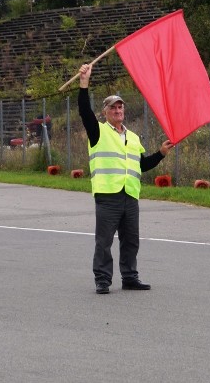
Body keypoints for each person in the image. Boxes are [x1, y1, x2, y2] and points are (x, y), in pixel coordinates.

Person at [78, 63, 174, 295]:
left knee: (131, 241)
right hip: (108, 195)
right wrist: (84, 83)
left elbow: (141, 165)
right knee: (104, 242)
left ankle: (130, 277)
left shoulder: (132, 136)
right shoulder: (98, 131)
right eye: (113, 107)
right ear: (105, 112)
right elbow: (84, 111)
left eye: (120, 106)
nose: (118, 110)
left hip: (130, 194)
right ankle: (103, 280)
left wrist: (160, 153)